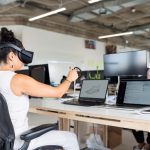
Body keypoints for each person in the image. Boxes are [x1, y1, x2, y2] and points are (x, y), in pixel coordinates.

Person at [0, 27, 79, 150]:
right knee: (71, 137)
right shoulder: (17, 79)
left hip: (3, 141)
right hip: (17, 142)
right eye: (21, 53)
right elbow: (58, 92)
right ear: (11, 56)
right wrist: (70, 78)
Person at [132, 67, 150, 150]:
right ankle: (141, 142)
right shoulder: (142, 77)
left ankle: (149, 144)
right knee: (132, 118)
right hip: (142, 103)